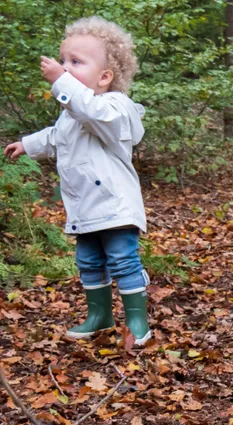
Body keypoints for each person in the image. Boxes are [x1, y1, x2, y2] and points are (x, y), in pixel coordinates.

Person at [4, 17, 152, 346]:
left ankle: (137, 320)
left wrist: (61, 81)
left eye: (76, 62)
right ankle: (100, 315)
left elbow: (91, 112)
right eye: (63, 60)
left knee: (123, 259)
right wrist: (27, 144)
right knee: (88, 261)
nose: (65, 68)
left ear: (105, 77)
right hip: (84, 206)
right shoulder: (73, 112)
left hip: (115, 206)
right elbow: (57, 136)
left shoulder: (115, 107)